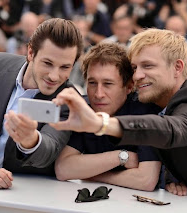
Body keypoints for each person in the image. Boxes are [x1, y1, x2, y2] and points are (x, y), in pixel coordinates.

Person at [50, 28, 187, 199]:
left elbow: (169, 129)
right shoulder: (156, 104)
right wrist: (171, 177)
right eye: (134, 68)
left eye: (148, 66)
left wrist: (101, 125)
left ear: (177, 67)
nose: (138, 75)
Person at [0, 18, 83, 190]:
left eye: (65, 67)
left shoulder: (69, 99)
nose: (54, 76)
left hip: (26, 196)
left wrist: (31, 140)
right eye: (47, 63)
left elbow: (50, 149)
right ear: (30, 52)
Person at [55, 42, 162, 192]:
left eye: (108, 84)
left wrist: (91, 175)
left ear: (129, 87)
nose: (98, 94)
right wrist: (120, 157)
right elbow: (63, 169)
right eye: (92, 83)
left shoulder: (147, 113)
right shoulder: (83, 108)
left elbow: (146, 180)